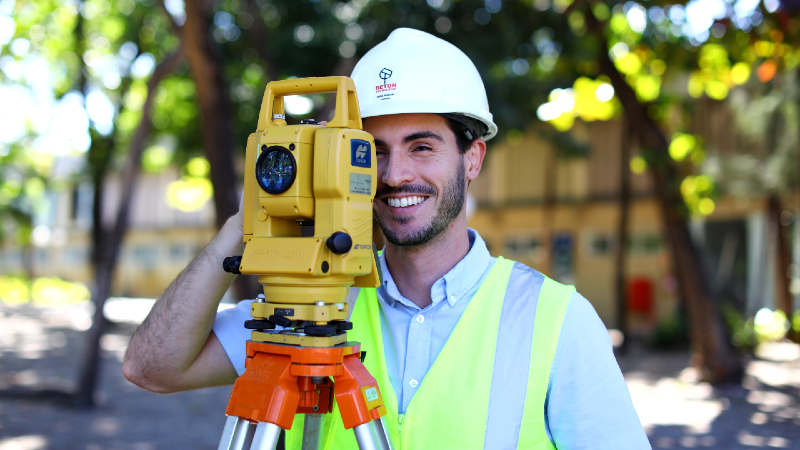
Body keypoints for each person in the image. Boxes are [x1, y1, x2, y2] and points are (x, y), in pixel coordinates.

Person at [124, 28, 651, 449]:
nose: (394, 174)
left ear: (472, 159)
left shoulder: (555, 321)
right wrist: (241, 229)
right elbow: (151, 368)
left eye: (421, 147)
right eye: (372, 151)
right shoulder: (315, 304)